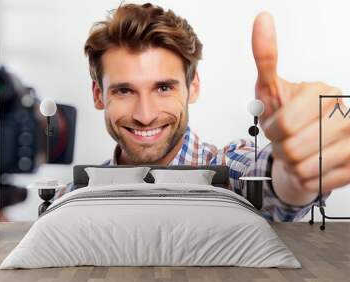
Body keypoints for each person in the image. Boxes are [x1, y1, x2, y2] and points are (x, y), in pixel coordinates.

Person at [56, 3, 350, 222]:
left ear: (192, 87)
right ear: (99, 95)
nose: (145, 115)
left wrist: (292, 173)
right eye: (124, 91)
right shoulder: (70, 197)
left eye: (163, 88)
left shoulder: (228, 169)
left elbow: (265, 182)